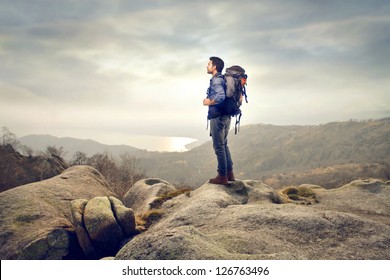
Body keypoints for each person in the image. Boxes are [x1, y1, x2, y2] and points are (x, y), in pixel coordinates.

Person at [203, 56, 235, 185]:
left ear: (214, 67)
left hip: (218, 118)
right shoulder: (223, 80)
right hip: (226, 117)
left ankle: (222, 176)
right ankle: (229, 174)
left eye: (209, 63)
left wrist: (209, 102)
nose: (207, 66)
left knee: (218, 147)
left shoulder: (216, 80)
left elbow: (221, 96)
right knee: (224, 145)